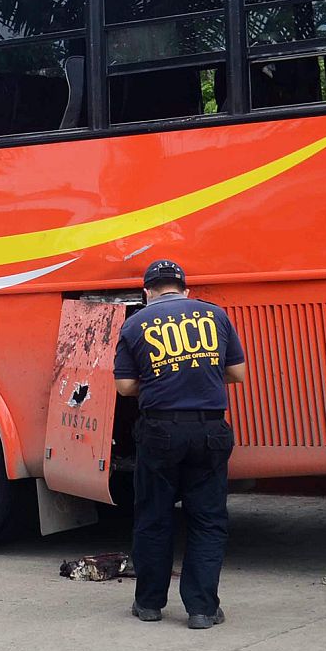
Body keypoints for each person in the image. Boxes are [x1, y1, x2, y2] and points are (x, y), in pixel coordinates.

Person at [114, 259, 247, 629]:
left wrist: (160, 380)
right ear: (185, 289)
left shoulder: (135, 323)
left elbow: (124, 387)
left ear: (147, 292)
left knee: (154, 518)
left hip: (159, 431)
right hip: (209, 430)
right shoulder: (215, 315)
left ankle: (149, 605)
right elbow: (237, 373)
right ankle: (202, 610)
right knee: (207, 520)